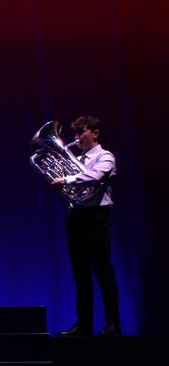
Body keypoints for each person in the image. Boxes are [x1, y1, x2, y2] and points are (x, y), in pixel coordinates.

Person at [53, 115, 119, 337]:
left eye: (81, 132)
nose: (77, 137)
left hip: (97, 218)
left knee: (103, 272)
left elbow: (96, 175)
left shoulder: (105, 156)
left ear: (95, 133)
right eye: (76, 133)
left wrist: (69, 180)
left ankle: (112, 323)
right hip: (77, 217)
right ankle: (84, 324)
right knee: (80, 274)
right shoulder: (76, 158)